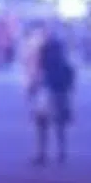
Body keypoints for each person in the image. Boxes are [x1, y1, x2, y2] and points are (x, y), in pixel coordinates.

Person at [26, 27, 75, 165]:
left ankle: (42, 154)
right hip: (59, 95)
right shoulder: (65, 66)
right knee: (59, 126)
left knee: (42, 124)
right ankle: (61, 153)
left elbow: (37, 79)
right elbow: (70, 83)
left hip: (47, 94)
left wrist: (32, 89)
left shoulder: (45, 64)